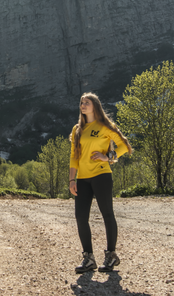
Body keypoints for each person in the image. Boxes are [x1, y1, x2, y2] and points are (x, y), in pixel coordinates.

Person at [69, 92, 132, 273]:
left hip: (101, 175)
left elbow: (124, 146)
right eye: (81, 102)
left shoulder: (105, 125)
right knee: (81, 217)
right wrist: (72, 179)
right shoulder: (77, 129)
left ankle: (111, 256)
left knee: (107, 214)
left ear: (95, 106)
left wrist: (108, 157)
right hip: (82, 179)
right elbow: (74, 156)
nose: (83, 105)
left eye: (86, 102)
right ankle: (88, 258)